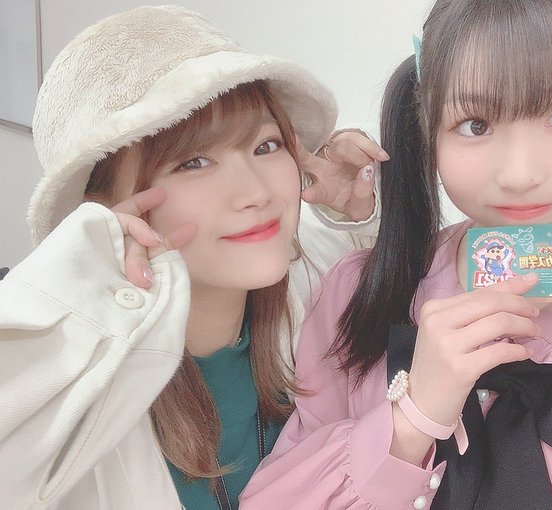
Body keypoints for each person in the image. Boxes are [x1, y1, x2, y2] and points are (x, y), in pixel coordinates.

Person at [241, 1, 552, 508]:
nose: (518, 173)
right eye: (475, 124)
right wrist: (413, 418)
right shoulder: (355, 294)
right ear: (430, 120)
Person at [0, 5, 388, 510]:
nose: (256, 192)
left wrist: (348, 213)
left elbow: (350, 263)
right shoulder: (69, 393)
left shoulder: (305, 303)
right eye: (194, 162)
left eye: (266, 146)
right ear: (102, 211)